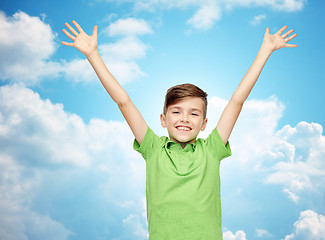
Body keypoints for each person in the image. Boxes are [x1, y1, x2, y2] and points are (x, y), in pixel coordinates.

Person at [61, 20, 297, 239]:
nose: (185, 118)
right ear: (163, 119)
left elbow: (237, 100)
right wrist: (93, 55)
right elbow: (123, 101)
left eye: (194, 113)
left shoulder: (212, 149)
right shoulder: (153, 148)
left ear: (204, 124)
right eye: (176, 111)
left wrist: (264, 52)